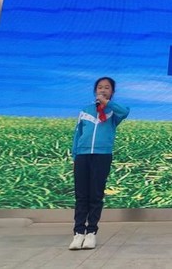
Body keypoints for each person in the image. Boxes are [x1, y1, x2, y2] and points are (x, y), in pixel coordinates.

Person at [69, 77, 130, 250]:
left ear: (112, 92)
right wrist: (75, 156)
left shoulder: (113, 113)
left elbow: (125, 111)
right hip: (83, 156)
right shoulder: (85, 110)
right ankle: (78, 233)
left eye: (107, 88)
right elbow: (77, 134)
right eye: (100, 87)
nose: (103, 90)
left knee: (96, 195)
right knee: (81, 195)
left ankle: (91, 233)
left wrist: (107, 103)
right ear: (95, 90)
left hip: (102, 156)